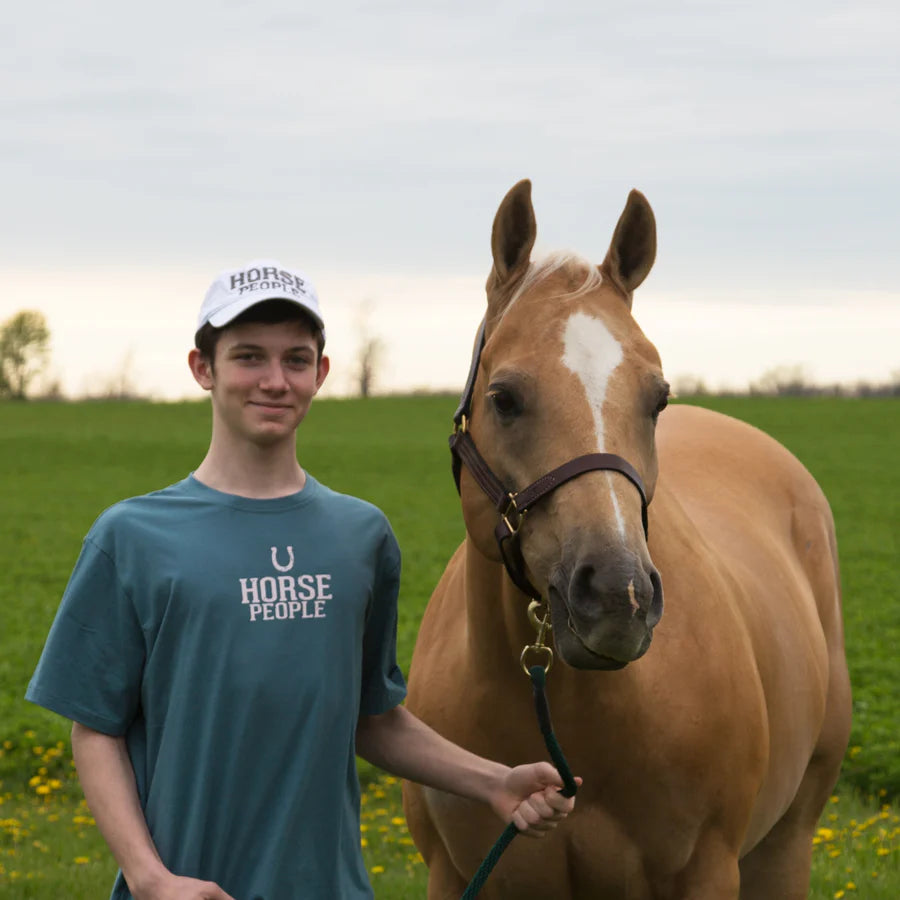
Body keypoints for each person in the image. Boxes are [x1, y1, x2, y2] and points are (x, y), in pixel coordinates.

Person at [26, 259, 578, 900]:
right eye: (248, 358)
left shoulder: (361, 538)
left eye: (295, 359)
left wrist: (493, 782)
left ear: (320, 372)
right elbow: (95, 728)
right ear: (203, 369)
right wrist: (152, 880)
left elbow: (372, 719)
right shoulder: (131, 538)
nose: (274, 381)